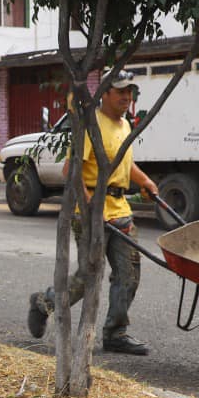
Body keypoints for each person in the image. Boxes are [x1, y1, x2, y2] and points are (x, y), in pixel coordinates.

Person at [26, 68, 161, 355]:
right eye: (121, 91)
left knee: (129, 275)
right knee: (88, 277)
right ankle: (44, 303)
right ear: (105, 93)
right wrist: (90, 209)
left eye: (130, 92)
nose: (127, 96)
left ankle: (116, 333)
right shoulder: (91, 126)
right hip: (90, 212)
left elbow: (122, 162)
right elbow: (70, 170)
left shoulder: (124, 125)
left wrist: (145, 180)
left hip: (121, 210)